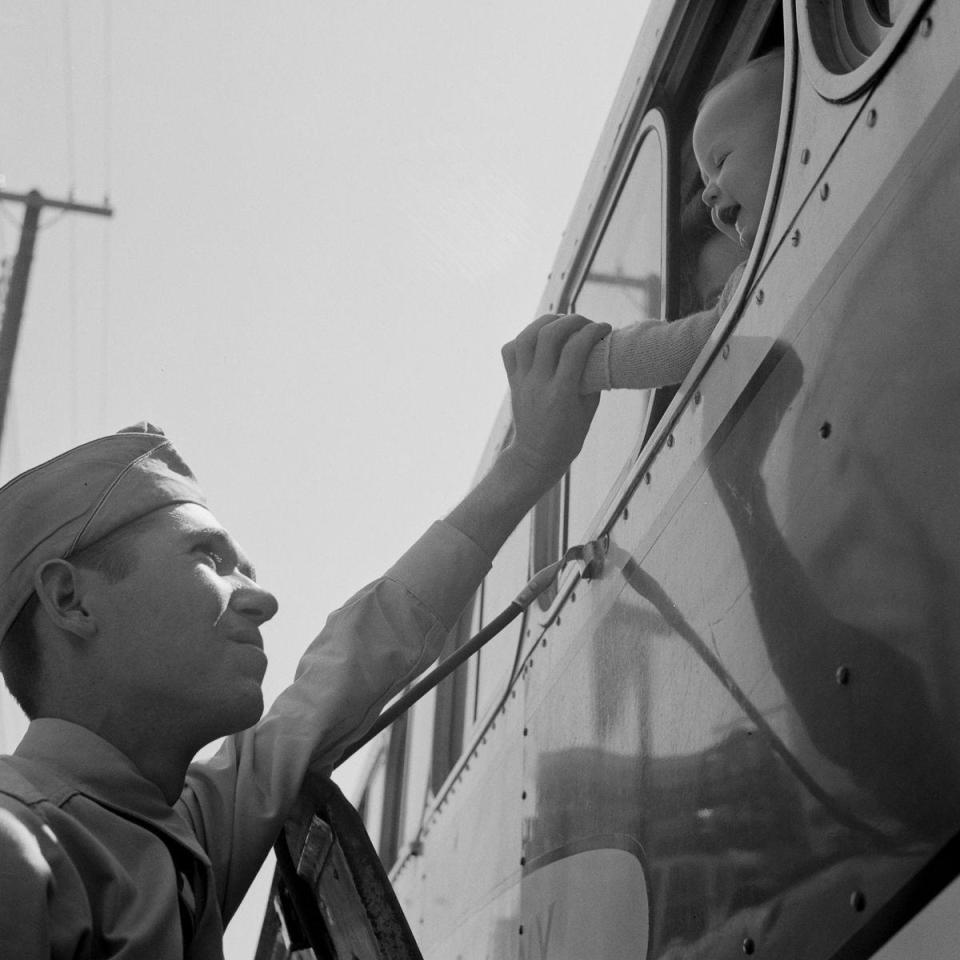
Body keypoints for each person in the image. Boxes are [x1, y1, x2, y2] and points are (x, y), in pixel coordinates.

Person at [0, 311, 609, 959]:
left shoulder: (169, 830)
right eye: (210, 561)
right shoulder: (19, 844)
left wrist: (529, 465)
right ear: (70, 598)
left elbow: (348, 666)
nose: (262, 600)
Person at [580, 49, 783, 392]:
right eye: (705, 181)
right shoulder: (756, 272)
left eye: (721, 160)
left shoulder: (759, 274)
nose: (707, 195)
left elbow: (684, 346)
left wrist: (604, 360)